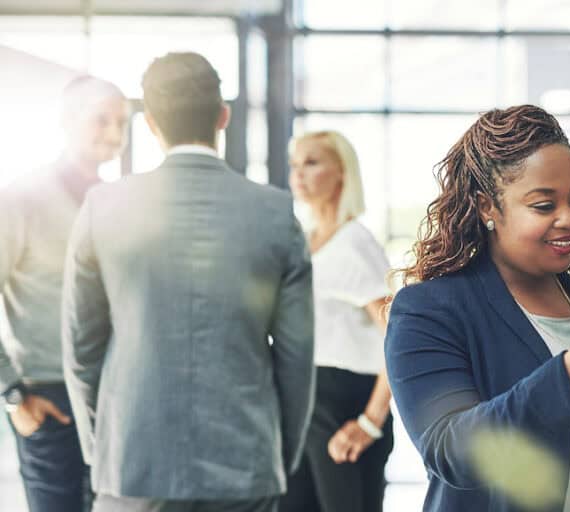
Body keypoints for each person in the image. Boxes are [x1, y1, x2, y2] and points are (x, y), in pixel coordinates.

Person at [385, 105, 570, 512]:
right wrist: (569, 376)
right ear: (487, 207)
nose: (569, 219)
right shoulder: (430, 312)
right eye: (544, 206)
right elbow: (451, 450)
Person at [61, 52, 315, 512]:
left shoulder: (103, 208)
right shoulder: (275, 213)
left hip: (133, 465)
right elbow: (297, 357)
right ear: (223, 117)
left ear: (151, 124)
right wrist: (277, 456)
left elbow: (82, 350)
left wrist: (105, 450)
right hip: (245, 464)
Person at [0, 74, 127, 512]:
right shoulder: (22, 198)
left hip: (115, 395)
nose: (114, 134)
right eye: (101, 120)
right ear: (67, 121)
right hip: (47, 396)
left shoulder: (119, 202)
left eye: (122, 123)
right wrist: (12, 395)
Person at [279, 130, 395, 512]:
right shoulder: (305, 241)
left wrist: (370, 423)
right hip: (305, 400)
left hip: (345, 399)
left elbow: (399, 338)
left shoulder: (354, 243)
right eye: (295, 165)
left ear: (341, 172)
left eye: (311, 163)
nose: (299, 174)